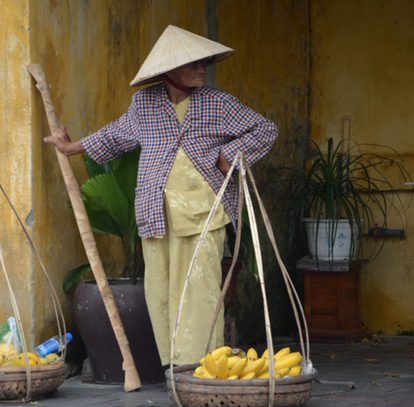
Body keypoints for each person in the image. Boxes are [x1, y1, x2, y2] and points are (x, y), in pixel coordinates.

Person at [45, 25, 278, 366]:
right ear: (170, 70)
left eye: (204, 63)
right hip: (156, 211)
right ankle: (172, 363)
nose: (202, 69)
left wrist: (233, 153)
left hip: (205, 211)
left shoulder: (218, 102)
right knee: (160, 291)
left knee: (200, 289)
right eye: (193, 63)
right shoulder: (145, 104)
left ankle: (201, 363)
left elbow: (265, 129)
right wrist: (71, 147)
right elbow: (115, 136)